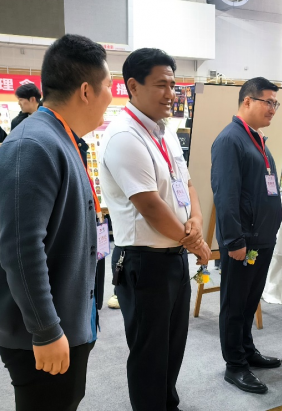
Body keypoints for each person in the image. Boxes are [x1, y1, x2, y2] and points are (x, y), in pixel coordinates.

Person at [0, 34, 112, 410]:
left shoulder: (64, 139)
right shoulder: (33, 146)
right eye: (109, 86)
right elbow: (21, 250)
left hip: (66, 319)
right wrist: (45, 329)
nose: (111, 96)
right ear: (86, 91)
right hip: (40, 333)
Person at [99, 48, 211, 411]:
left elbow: (187, 185)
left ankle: (168, 404)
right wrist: (194, 241)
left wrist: (196, 221)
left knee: (173, 344)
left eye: (173, 85)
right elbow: (148, 205)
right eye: (161, 85)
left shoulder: (164, 132)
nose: (170, 93)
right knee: (149, 352)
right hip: (144, 262)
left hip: (174, 255)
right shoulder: (124, 136)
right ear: (133, 86)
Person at [211, 77, 282, 394]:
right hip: (244, 240)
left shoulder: (256, 139)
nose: (273, 109)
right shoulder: (230, 140)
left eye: (275, 103)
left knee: (250, 300)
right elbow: (225, 195)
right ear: (247, 101)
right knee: (235, 303)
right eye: (268, 102)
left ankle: (247, 350)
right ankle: (235, 365)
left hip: (262, 237)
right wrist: (234, 240)